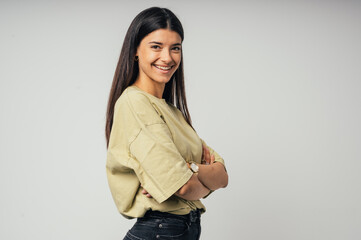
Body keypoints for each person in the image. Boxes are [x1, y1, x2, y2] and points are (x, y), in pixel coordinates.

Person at [105, 7, 228, 240]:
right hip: (160, 229)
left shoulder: (171, 111)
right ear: (135, 51)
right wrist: (201, 176)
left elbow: (223, 174)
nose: (168, 57)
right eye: (156, 46)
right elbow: (182, 187)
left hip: (179, 229)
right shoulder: (135, 103)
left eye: (175, 48)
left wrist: (190, 169)